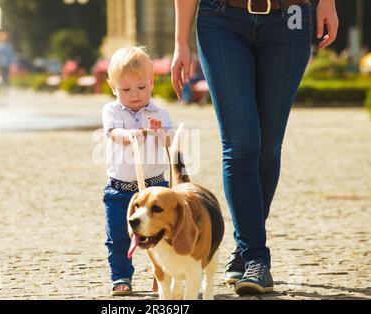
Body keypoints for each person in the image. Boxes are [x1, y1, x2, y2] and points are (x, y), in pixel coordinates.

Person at [171, 0, 338, 296]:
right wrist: (180, 41)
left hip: (290, 19)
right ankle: (257, 258)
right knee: (242, 144)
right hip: (220, 20)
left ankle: (245, 248)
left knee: (269, 148)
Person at [102, 46, 173, 296]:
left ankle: (161, 274)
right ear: (113, 87)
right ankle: (121, 275)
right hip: (120, 189)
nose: (134, 95)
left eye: (141, 88)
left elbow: (168, 142)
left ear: (151, 83)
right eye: (125, 89)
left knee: (161, 235)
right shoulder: (111, 111)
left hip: (155, 188)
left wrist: (159, 131)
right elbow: (113, 133)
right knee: (118, 237)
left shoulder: (159, 112)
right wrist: (129, 135)